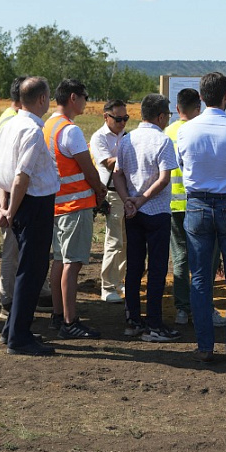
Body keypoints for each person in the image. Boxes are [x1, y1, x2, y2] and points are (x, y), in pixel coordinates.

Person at [177, 72, 226, 362]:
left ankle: (205, 347)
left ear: (201, 97)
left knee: (200, 278)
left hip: (197, 205)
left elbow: (183, 162)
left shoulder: (185, 130)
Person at [0, 76, 60, 355]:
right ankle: (19, 337)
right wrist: (10, 208)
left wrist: (6, 207)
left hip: (19, 203)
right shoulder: (32, 130)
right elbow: (21, 175)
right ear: (42, 99)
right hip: (33, 204)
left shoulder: (10, 125)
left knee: (27, 269)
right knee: (32, 271)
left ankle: (13, 328)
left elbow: (1, 172)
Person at [43, 79, 106, 340]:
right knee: (73, 263)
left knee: (60, 260)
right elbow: (88, 169)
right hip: (75, 205)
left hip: (57, 203)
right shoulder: (71, 130)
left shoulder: (49, 124)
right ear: (73, 97)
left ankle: (59, 316)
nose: (86, 101)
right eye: (84, 96)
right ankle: (70, 321)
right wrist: (100, 191)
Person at [114, 93, 180, 341]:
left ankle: (132, 320)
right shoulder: (162, 141)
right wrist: (142, 199)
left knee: (134, 267)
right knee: (157, 269)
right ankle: (154, 324)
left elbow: (118, 174)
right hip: (157, 212)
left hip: (133, 212)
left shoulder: (126, 139)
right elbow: (164, 179)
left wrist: (128, 200)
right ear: (161, 116)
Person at [165, 87, 224, 327]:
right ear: (198, 108)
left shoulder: (167, 132)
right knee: (207, 259)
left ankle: (182, 309)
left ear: (177, 109)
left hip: (173, 206)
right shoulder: (204, 131)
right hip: (201, 203)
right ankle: (206, 308)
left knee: (180, 257)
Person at [0, 77, 26, 316]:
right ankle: (7, 301)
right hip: (6, 193)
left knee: (17, 248)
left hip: (3, 190)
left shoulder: (7, 116)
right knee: (11, 249)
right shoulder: (12, 122)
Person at [90, 99, 130, 302]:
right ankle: (107, 287)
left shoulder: (128, 136)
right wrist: (130, 153)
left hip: (127, 193)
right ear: (106, 117)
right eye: (118, 119)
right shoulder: (99, 137)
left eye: (125, 118)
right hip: (111, 193)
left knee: (125, 241)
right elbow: (106, 163)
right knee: (114, 240)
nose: (122, 123)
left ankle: (119, 281)